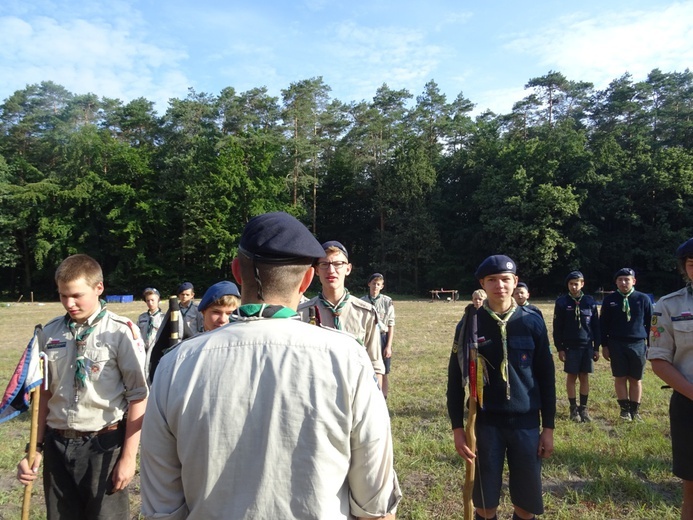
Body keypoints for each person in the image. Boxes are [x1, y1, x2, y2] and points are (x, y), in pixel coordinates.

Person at [140, 212, 401, 519]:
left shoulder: (174, 366)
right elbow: (376, 504)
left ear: (238, 272)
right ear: (307, 278)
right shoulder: (348, 361)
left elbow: (162, 508)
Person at [16, 254, 148, 520]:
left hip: (103, 445)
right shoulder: (49, 333)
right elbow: (44, 394)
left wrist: (129, 458)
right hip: (57, 445)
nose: (69, 303)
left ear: (99, 288)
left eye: (77, 295)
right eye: (63, 295)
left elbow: (138, 396)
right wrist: (36, 449)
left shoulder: (121, 332)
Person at [447, 255, 556, 520]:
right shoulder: (470, 324)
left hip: (526, 423)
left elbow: (546, 375)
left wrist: (548, 428)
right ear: (482, 284)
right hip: (485, 425)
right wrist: (458, 429)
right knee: (484, 505)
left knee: (526, 506)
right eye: (492, 280)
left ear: (515, 281)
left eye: (506, 279)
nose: (500, 286)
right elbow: (454, 378)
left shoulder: (532, 321)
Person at [648, 237, 693, 519]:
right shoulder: (668, 306)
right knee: (692, 490)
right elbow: (659, 360)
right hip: (689, 405)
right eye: (692, 264)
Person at [298, 241, 385, 387]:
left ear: (348, 269)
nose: (331, 270)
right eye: (324, 264)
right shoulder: (301, 313)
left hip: (355, 392)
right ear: (317, 270)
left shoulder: (366, 313)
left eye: (338, 264)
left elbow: (375, 364)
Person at [600, 267, 653, 421]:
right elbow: (603, 324)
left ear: (633, 281)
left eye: (627, 279)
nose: (624, 283)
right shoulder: (609, 300)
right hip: (616, 344)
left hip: (637, 343)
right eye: (620, 280)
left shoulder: (643, 299)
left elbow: (650, 324)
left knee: (636, 378)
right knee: (620, 377)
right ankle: (624, 410)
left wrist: (651, 345)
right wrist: (604, 345)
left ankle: (635, 411)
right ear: (616, 282)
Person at [552, 271, 601, 423]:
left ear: (582, 284)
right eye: (571, 283)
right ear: (568, 285)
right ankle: (573, 408)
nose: (574, 286)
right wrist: (560, 348)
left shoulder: (590, 301)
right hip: (570, 347)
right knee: (572, 377)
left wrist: (596, 347)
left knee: (584, 376)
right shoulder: (561, 302)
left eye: (577, 283)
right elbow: (557, 327)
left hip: (586, 345)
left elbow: (596, 326)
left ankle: (584, 408)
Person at [362, 273, 396, 398]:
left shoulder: (387, 302)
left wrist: (389, 345)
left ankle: (383, 397)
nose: (375, 286)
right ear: (369, 284)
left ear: (382, 286)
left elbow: (391, 324)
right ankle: (369, 396)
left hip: (382, 337)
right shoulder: (362, 301)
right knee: (367, 367)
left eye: (378, 284)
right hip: (368, 338)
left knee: (384, 370)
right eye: (373, 284)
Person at [138, 287, 164, 351]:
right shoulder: (142, 317)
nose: (150, 303)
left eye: (152, 300)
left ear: (158, 300)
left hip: (157, 350)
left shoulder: (163, 318)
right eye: (148, 300)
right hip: (143, 350)